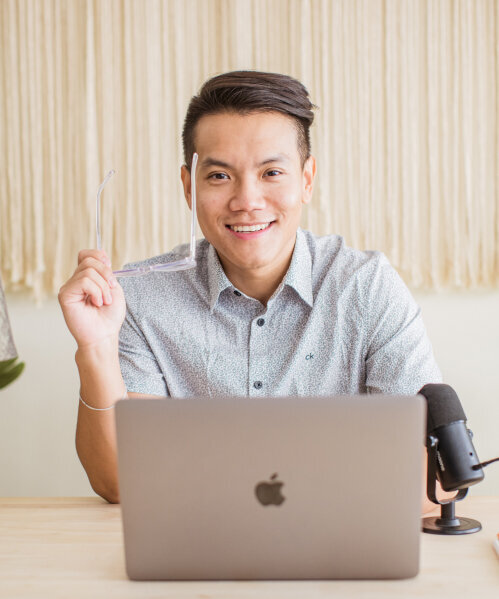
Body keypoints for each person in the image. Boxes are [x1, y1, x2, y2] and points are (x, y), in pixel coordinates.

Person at [59, 70, 443, 507]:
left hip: (335, 559)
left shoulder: (367, 287)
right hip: (196, 555)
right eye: (220, 176)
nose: (247, 200)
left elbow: (430, 477)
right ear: (189, 186)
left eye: (271, 172)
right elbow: (118, 482)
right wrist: (95, 347)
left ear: (307, 179)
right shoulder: (141, 298)